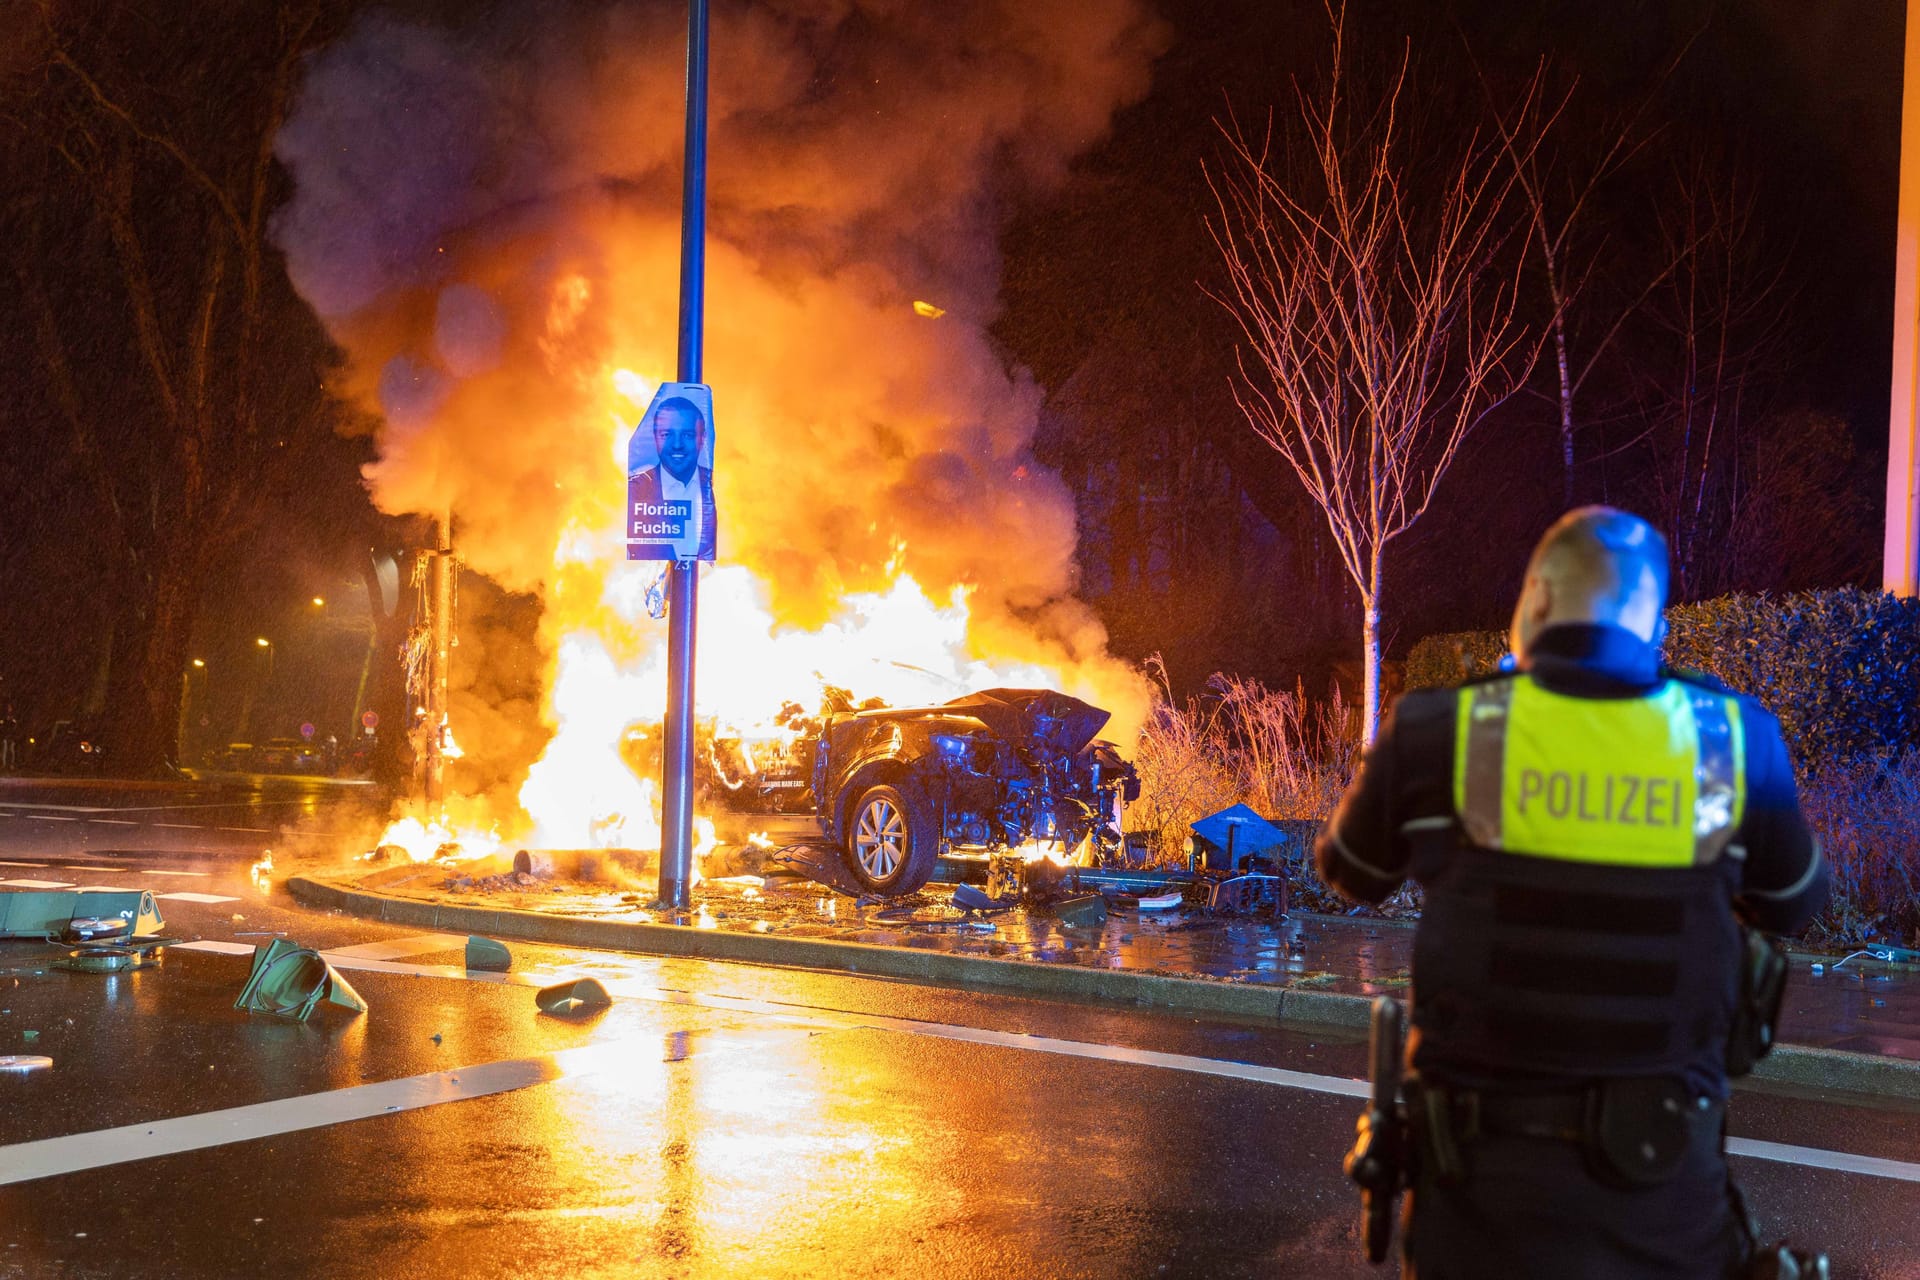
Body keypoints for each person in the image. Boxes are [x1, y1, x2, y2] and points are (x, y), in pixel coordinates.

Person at [1317, 507, 1828, 1280]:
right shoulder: (1730, 739)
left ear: (1536, 604)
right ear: (1654, 628)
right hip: (1663, 1202)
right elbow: (1794, 901)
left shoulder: (1445, 730)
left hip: (1476, 1207)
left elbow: (1350, 869)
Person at [627, 395, 716, 560]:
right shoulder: (633, 491)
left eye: (688, 435)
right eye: (666, 434)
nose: (677, 445)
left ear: (702, 438)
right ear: (655, 437)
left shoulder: (720, 487)